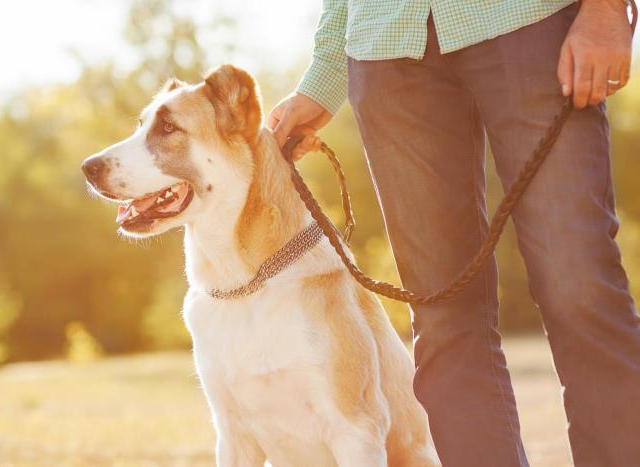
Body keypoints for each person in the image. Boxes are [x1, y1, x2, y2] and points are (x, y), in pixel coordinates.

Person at [268, 1, 640, 466]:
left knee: (580, 289)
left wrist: (606, 11)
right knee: (444, 321)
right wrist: (325, 72)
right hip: (387, 44)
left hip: (528, 21)